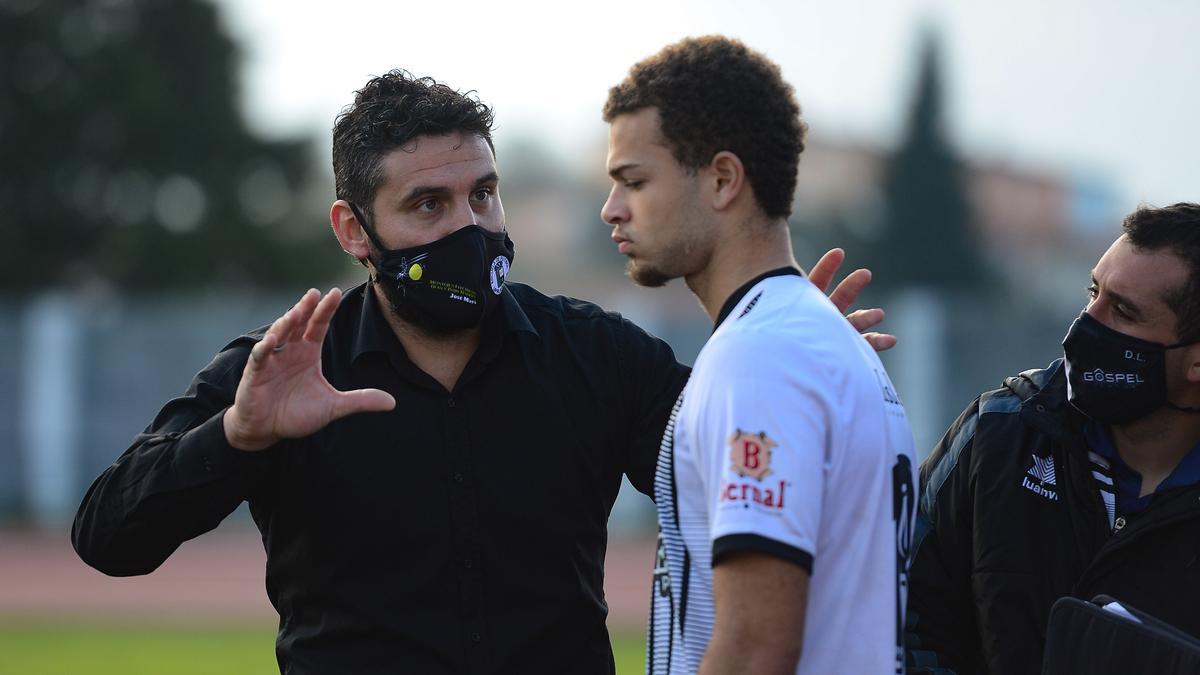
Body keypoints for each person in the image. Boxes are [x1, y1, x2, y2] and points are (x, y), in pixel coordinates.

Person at [72, 70, 883, 674]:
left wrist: (787, 367)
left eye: (484, 195)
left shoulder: (593, 356)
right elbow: (107, 538)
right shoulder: (285, 369)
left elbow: (729, 466)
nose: (470, 225)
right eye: (429, 205)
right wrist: (237, 435)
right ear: (355, 230)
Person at [600, 36, 918, 675]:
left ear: (722, 179)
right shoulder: (811, 338)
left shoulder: (760, 355)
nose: (613, 209)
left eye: (634, 181)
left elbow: (755, 649)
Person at [906, 202, 1200, 674]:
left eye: (1123, 311)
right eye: (1093, 292)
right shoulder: (1000, 433)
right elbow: (904, 607)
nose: (1085, 324)